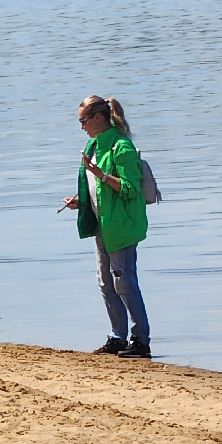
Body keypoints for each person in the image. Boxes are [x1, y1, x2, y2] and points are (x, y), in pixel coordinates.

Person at [63, 95, 151, 358]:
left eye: (84, 121)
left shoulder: (121, 147)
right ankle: (117, 338)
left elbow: (130, 188)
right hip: (102, 225)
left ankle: (141, 341)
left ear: (99, 117)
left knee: (125, 282)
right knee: (105, 283)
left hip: (121, 226)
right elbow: (99, 190)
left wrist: (100, 174)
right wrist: (81, 202)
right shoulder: (93, 146)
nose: (82, 127)